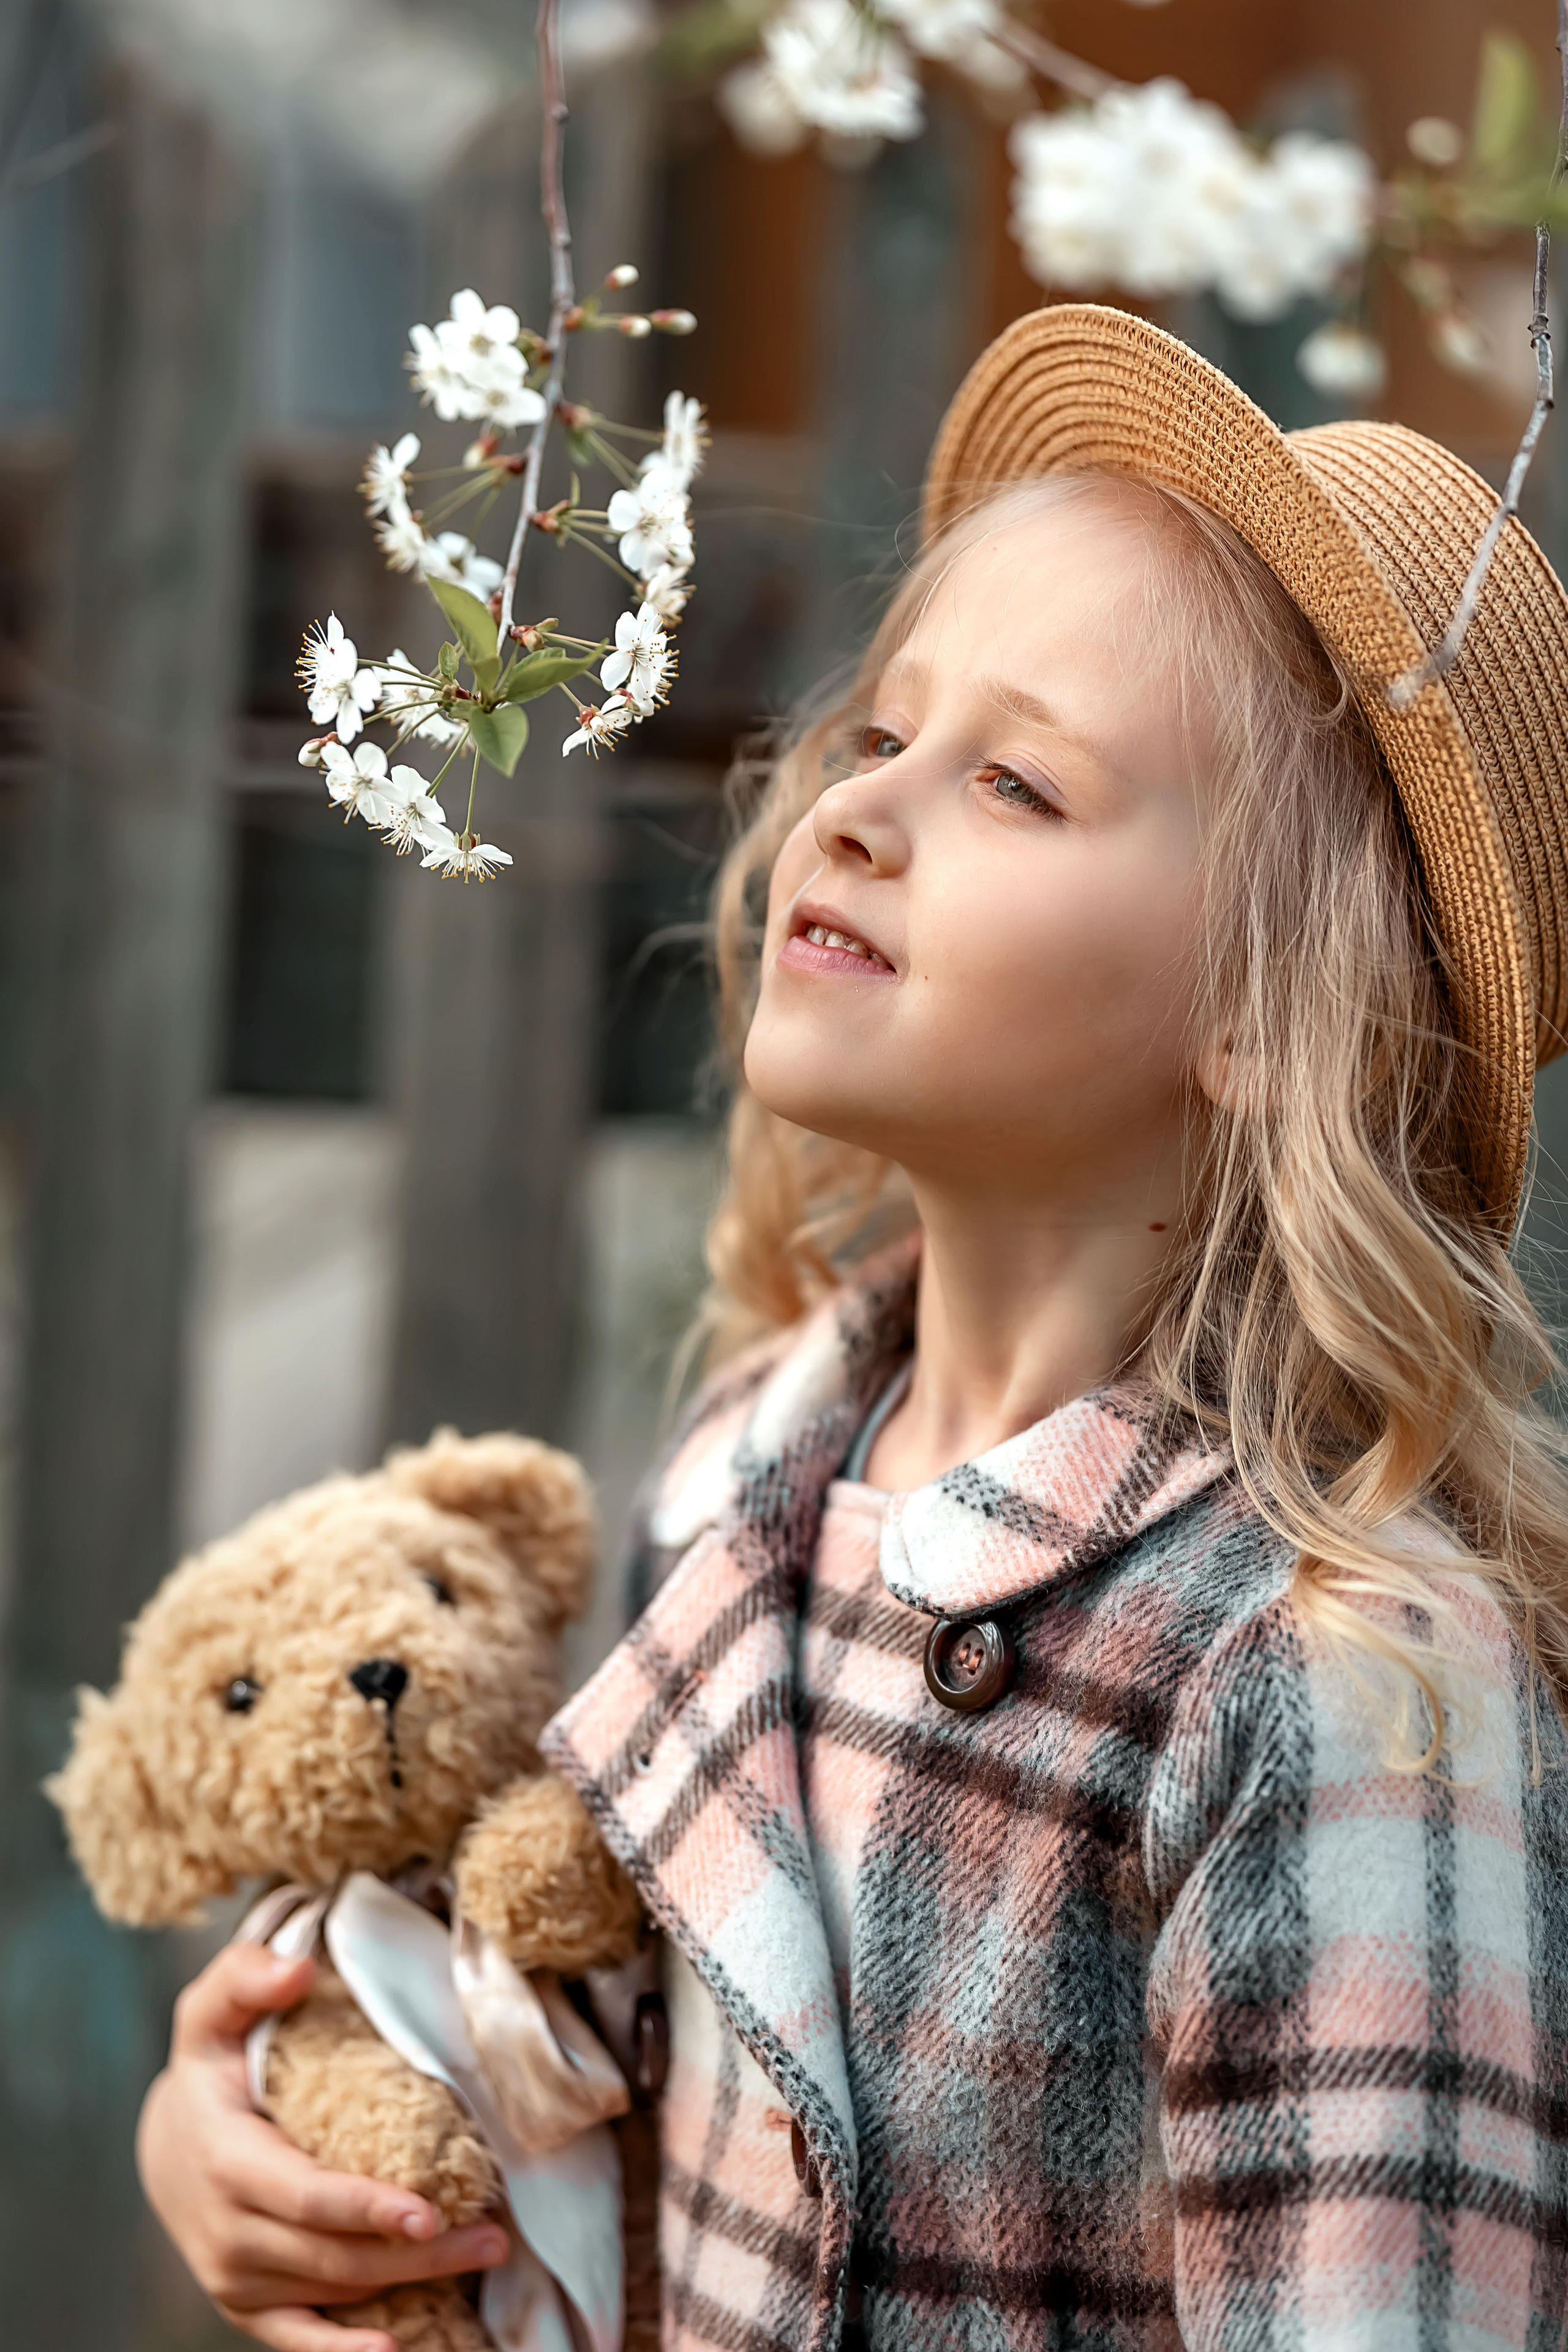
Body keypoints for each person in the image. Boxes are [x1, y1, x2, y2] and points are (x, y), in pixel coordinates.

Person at [136, 307, 1568, 2351]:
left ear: (1269, 1017)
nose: (861, 811)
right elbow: (602, 2133)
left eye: (1015, 781)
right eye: (883, 736)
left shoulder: (1341, 1680)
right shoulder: (749, 1469)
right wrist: (261, 2136)